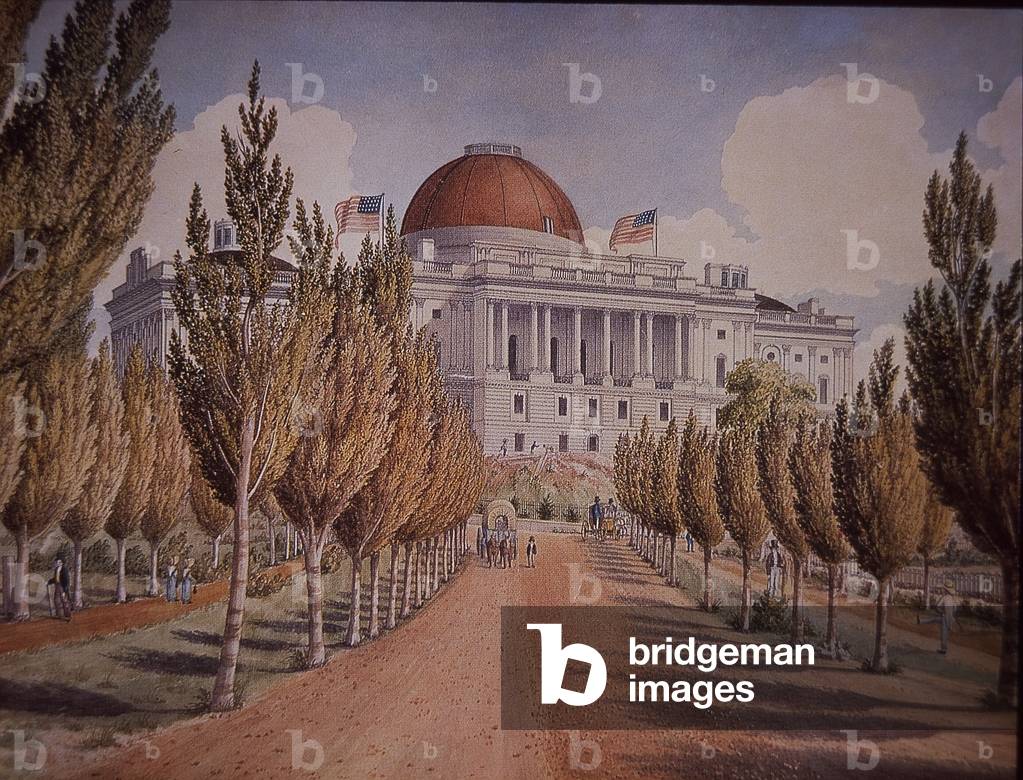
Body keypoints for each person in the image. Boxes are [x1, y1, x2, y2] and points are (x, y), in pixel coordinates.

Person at [919, 579, 961, 654]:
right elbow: (955, 609)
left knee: (944, 632)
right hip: (951, 618)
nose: (942, 590)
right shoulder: (953, 598)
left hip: (945, 617)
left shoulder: (944, 598)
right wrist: (951, 614)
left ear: (946, 590)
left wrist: (942, 611)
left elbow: (937, 607)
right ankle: (921, 621)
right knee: (935, 620)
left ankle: (943, 649)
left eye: (944, 589)